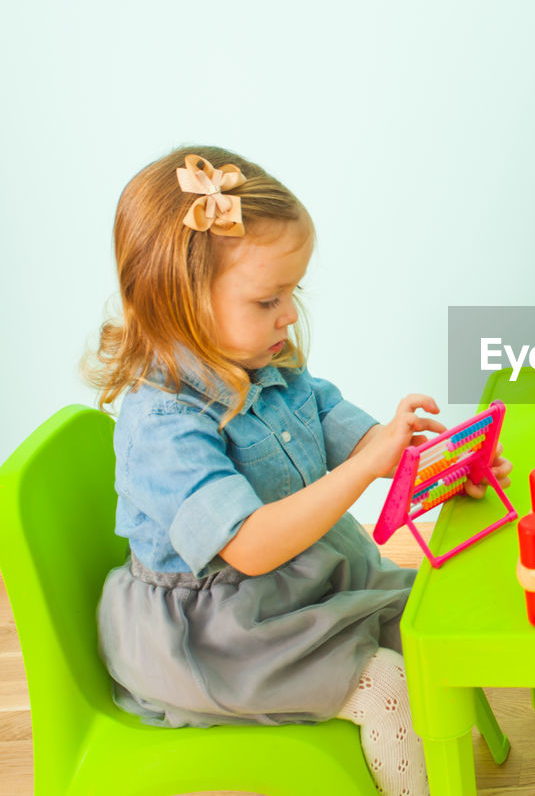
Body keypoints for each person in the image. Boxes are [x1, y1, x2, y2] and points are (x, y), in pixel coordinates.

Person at [87, 146, 511, 796]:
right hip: (220, 631)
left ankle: (450, 758)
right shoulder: (162, 421)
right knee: (387, 686)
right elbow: (251, 545)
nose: (288, 313)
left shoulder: (266, 360)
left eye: (294, 291)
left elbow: (339, 422)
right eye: (267, 299)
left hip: (297, 580)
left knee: (429, 613)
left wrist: (436, 461)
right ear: (179, 304)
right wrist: (371, 463)